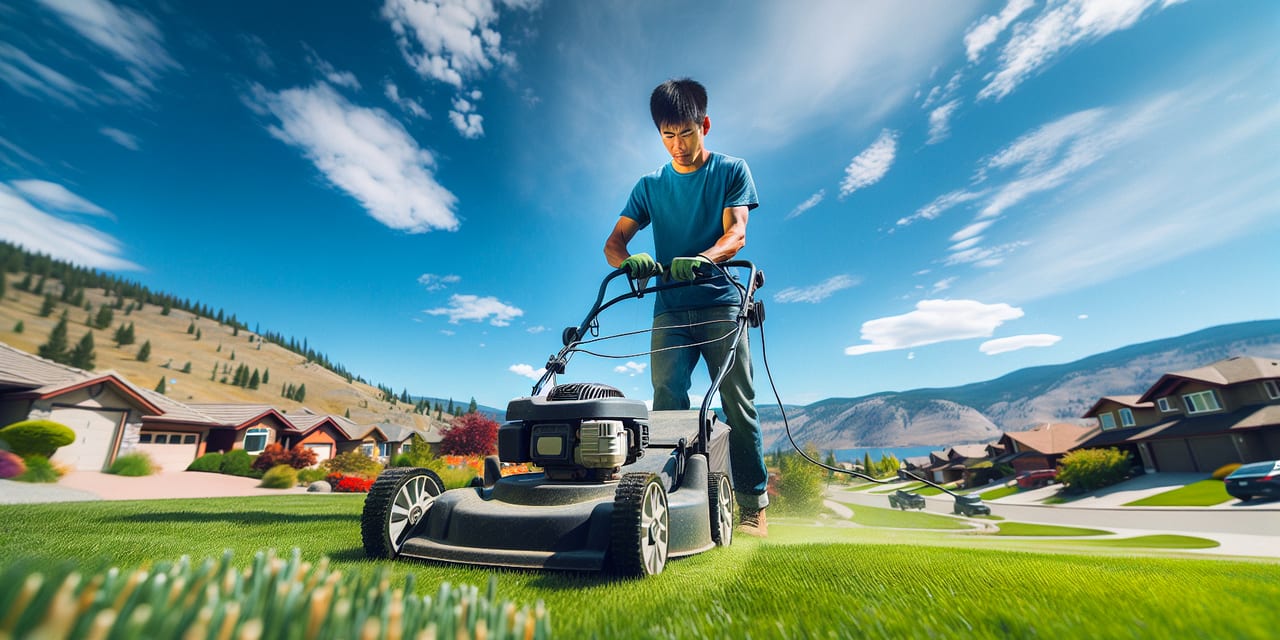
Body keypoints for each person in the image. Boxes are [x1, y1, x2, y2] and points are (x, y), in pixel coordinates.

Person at [603, 78, 769, 537]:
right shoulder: (650, 185)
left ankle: (753, 506)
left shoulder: (732, 171)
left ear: (705, 125)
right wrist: (629, 261)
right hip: (670, 311)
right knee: (668, 403)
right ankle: (671, 500)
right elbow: (614, 242)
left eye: (686, 133)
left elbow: (736, 235)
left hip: (720, 304)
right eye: (667, 135)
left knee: (739, 404)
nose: (677, 145)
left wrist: (700, 260)